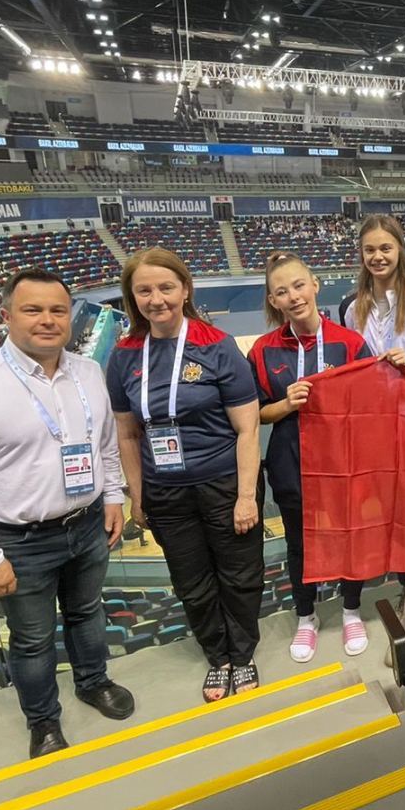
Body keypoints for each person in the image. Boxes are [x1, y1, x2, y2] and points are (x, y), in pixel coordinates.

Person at [0, 268, 132, 761]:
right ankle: (43, 721)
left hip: (85, 524)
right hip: (18, 540)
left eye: (57, 310)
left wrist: (114, 495)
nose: (47, 320)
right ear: (6, 317)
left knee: (86, 615)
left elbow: (103, 444)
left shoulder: (87, 372)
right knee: (33, 639)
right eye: (32, 310)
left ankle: (93, 682)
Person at [106, 248, 264, 702]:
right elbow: (127, 434)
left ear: (185, 290)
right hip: (166, 491)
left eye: (166, 287)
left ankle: (244, 654)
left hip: (224, 483)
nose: (156, 299)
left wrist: (247, 496)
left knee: (239, 574)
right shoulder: (123, 356)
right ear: (132, 298)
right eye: (144, 290)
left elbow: (247, 428)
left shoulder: (216, 346)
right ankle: (219, 658)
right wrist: (138, 496)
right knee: (191, 582)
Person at [249, 251, 374, 663]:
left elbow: (372, 405)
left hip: (344, 464)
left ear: (315, 285)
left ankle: (351, 609)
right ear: (273, 301)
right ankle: (306, 616)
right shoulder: (264, 350)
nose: (293, 296)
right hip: (291, 464)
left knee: (349, 536)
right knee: (299, 545)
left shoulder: (350, 342)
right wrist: (286, 404)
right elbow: (257, 414)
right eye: (281, 291)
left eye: (299, 285)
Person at [337, 214, 405, 367]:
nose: (377, 256)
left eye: (385, 249)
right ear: (362, 254)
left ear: (400, 250)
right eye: (370, 250)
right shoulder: (348, 308)